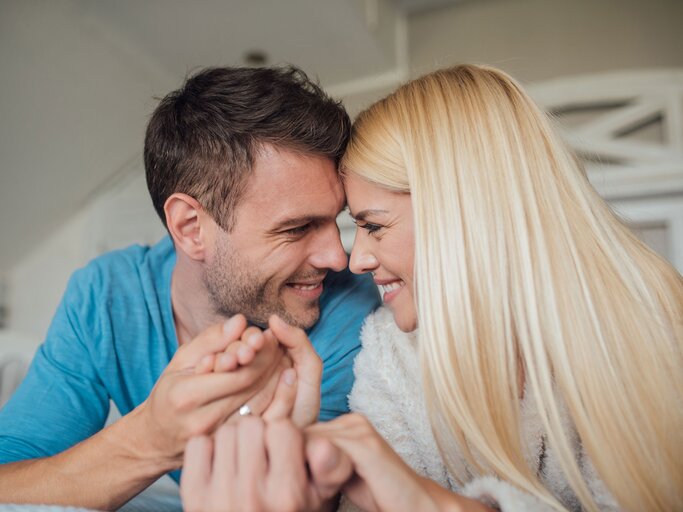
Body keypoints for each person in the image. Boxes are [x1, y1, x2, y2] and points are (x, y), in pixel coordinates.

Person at [181, 64, 683, 511]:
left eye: (373, 226)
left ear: (465, 213)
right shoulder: (388, 353)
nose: (353, 260)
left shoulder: (654, 323)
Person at [0, 65, 380, 510]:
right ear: (191, 227)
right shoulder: (106, 296)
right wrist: (150, 439)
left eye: (334, 221)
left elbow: (309, 499)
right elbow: (11, 476)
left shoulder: (353, 309)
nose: (340, 258)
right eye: (297, 229)